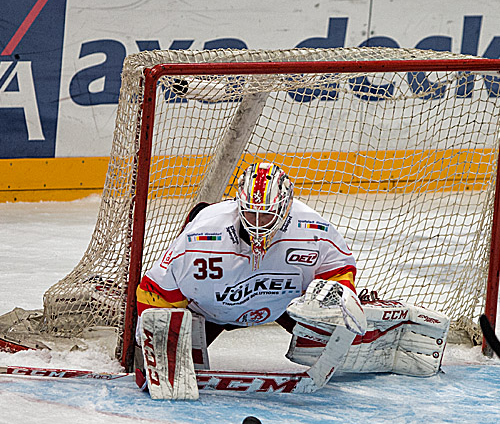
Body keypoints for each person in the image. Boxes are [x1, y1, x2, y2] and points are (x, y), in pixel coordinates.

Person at [133, 162, 448, 399]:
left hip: (285, 306)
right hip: (210, 312)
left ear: (285, 210)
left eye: (266, 216)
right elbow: (154, 292)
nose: (258, 226)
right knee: (162, 364)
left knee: (341, 340)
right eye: (250, 215)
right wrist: (153, 344)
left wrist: (339, 301)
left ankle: (381, 335)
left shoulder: (313, 229)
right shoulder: (201, 237)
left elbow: (339, 269)